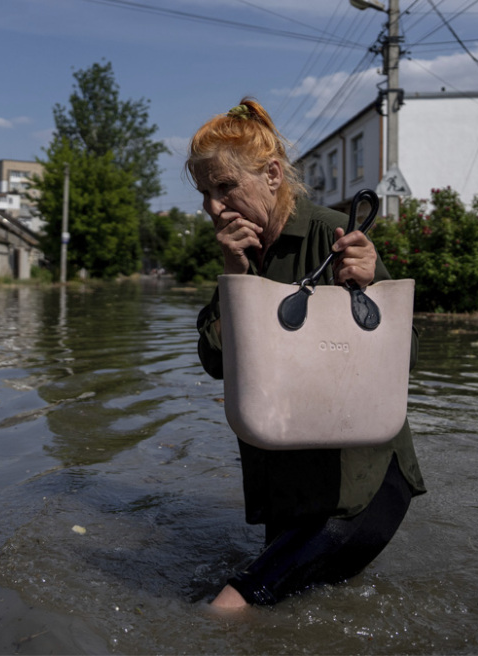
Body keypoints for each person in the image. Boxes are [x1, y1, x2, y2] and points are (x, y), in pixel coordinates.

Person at [188, 98, 426, 609]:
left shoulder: (333, 234)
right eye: (205, 192)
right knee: (296, 617)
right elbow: (216, 364)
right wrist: (234, 279)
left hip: (358, 487)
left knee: (229, 608)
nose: (214, 206)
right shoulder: (242, 255)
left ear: (273, 175)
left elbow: (405, 358)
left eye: (225, 186)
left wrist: (367, 285)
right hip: (287, 489)